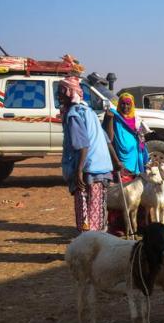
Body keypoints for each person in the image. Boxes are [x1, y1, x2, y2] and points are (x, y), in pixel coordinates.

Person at [59, 76, 116, 233]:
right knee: (97, 213)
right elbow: (107, 140)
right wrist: (116, 162)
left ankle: (90, 248)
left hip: (87, 170)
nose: (59, 96)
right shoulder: (88, 112)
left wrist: (78, 171)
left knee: (86, 217)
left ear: (69, 93)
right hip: (100, 168)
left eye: (61, 92)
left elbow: (82, 145)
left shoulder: (74, 115)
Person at [103, 92, 151, 236]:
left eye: (128, 104)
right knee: (121, 196)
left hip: (137, 163)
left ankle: (140, 226)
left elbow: (142, 140)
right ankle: (119, 228)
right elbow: (109, 139)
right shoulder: (115, 119)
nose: (125, 106)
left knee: (140, 197)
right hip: (122, 164)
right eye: (122, 103)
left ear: (132, 105)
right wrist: (109, 119)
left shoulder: (136, 120)